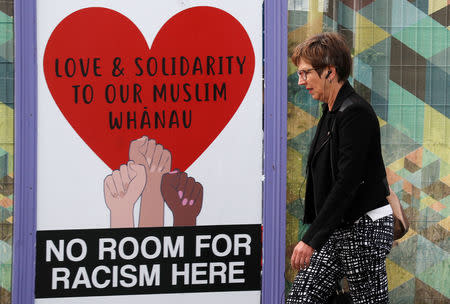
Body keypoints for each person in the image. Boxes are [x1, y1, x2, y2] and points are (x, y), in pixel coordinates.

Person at [286, 32, 394, 304]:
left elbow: (347, 182)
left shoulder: (354, 112)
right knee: (301, 297)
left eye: (305, 73)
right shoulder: (332, 112)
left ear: (330, 72)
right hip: (339, 227)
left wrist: (310, 239)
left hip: (363, 227)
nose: (301, 81)